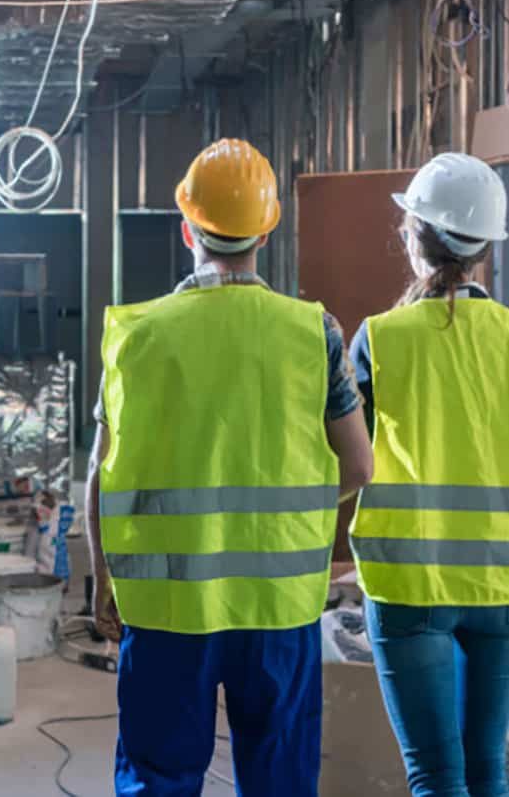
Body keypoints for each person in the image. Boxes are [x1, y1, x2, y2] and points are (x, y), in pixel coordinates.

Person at [85, 138, 374, 797]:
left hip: (165, 606)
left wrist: (104, 579)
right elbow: (357, 466)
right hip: (277, 607)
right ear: (263, 234)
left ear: (188, 229)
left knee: (159, 779)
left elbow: (101, 474)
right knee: (278, 782)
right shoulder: (314, 331)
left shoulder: (136, 333)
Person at [349, 152, 509, 797]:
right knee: (489, 771)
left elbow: (349, 460)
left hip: (409, 580)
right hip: (502, 581)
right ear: (484, 253)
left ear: (415, 236)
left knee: (437, 777)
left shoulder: (380, 338)